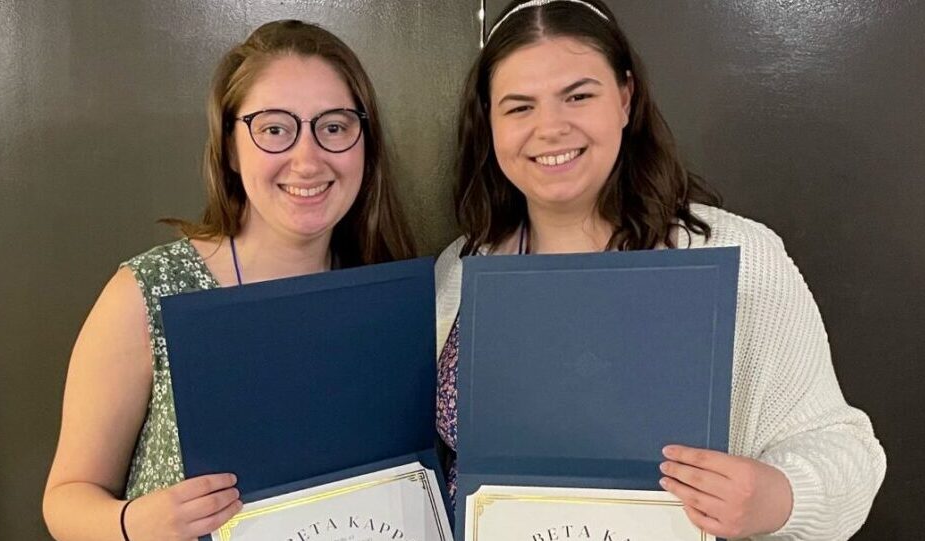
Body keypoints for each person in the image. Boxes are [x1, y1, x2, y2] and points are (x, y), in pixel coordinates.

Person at [434, 1, 885, 539]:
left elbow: (844, 447)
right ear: (488, 121)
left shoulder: (737, 257)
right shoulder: (459, 269)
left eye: (578, 96)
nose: (550, 128)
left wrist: (779, 496)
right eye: (519, 107)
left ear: (625, 98)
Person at [43, 19, 415, 541]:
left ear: (365, 147)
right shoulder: (151, 291)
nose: (306, 159)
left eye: (333, 126)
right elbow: (65, 500)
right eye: (274, 128)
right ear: (230, 148)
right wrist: (136, 522)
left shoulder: (390, 298)